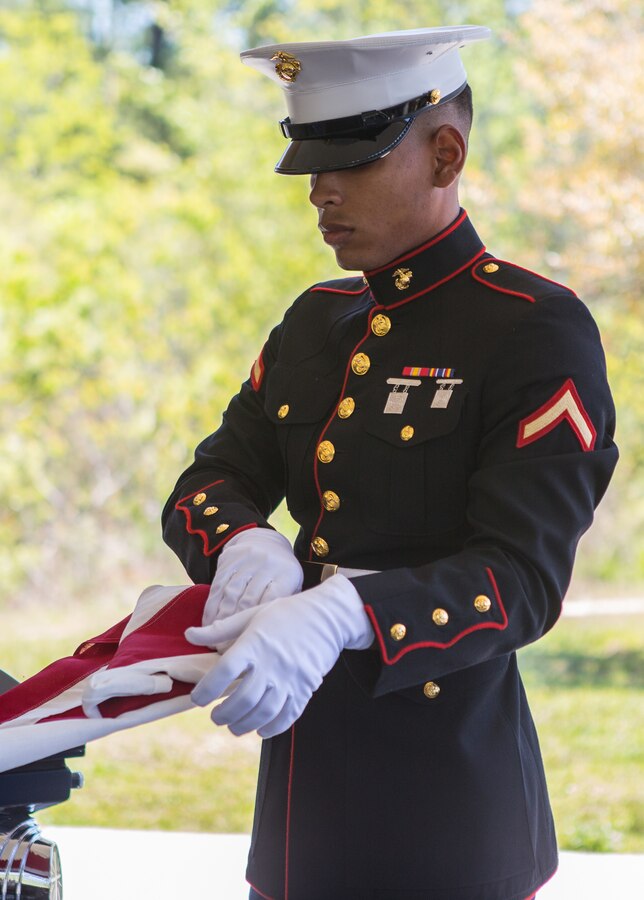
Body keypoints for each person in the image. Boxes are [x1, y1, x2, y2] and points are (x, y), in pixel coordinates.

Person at [162, 26, 618, 900]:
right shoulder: (314, 321)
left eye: (356, 160)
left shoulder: (532, 328)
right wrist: (248, 544)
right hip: (299, 805)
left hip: (448, 812)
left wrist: (344, 611)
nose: (321, 192)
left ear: (446, 153)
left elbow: (519, 577)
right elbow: (208, 482)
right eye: (310, 165)